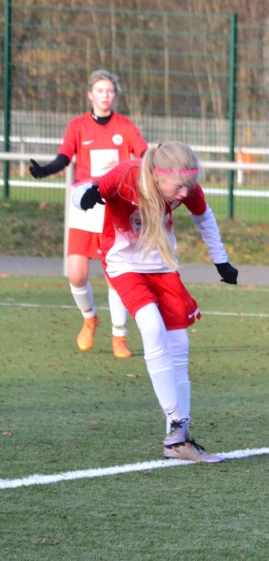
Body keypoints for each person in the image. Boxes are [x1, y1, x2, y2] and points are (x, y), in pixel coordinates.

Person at [73, 142, 239, 462]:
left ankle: (177, 443)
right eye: (178, 187)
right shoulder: (125, 175)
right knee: (151, 327)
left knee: (179, 345)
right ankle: (178, 424)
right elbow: (82, 191)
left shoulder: (184, 184)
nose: (184, 194)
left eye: (188, 187)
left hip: (163, 268)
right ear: (158, 175)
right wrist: (85, 197)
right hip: (124, 266)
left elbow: (204, 218)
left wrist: (221, 260)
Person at [29, 70, 147, 358]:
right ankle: (90, 318)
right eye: (100, 90)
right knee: (77, 274)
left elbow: (143, 154)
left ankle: (119, 336)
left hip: (115, 204)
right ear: (90, 95)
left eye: (110, 91)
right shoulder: (78, 126)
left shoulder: (125, 126)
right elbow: (63, 157)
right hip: (85, 204)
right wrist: (45, 170)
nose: (105, 95)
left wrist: (154, 165)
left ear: (115, 95)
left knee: (115, 275)